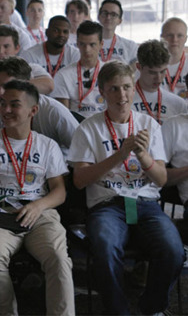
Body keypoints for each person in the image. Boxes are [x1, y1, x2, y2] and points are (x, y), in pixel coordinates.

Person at [69, 60, 185, 314]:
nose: (121, 95)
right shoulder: (89, 127)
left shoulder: (149, 125)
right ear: (102, 92)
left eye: (126, 87)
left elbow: (162, 180)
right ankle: (118, 310)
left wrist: (142, 155)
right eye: (113, 89)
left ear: (134, 89)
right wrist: (120, 155)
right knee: (104, 247)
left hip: (145, 204)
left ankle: (152, 307)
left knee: (174, 250)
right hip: (107, 205)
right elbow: (79, 180)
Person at [0, 79, 74, 315]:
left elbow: (60, 191)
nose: (6, 110)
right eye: (2, 104)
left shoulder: (47, 146)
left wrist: (38, 206)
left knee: (59, 258)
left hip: (40, 213)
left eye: (14, 105)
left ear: (33, 110)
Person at [0, 57, 78, 159]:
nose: (0, 93)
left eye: (8, 86)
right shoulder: (1, 109)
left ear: (26, 85)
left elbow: (82, 148)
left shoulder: (53, 110)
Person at [51, 20, 106, 119]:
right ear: (77, 43)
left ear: (101, 44)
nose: (87, 49)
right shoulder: (63, 75)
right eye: (82, 44)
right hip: (76, 125)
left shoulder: (109, 72)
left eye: (92, 44)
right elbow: (64, 117)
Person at [133, 39, 187, 123]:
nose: (158, 78)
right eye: (152, 72)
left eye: (162, 71)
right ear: (139, 67)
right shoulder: (124, 100)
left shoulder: (178, 104)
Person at [97, 0, 138, 64]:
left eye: (113, 14)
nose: (108, 17)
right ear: (98, 17)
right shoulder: (86, 44)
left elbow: (133, 71)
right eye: (105, 13)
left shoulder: (130, 46)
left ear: (120, 21)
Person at [160, 17, 188, 98]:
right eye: (170, 35)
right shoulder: (148, 65)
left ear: (186, 39)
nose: (174, 39)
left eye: (180, 36)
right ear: (162, 37)